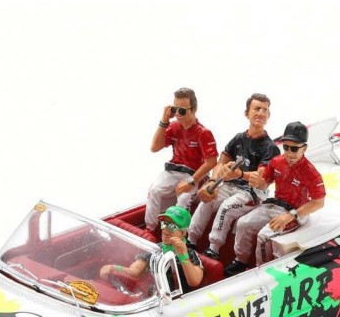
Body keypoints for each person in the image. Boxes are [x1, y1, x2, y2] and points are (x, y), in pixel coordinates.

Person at [187, 93, 280, 260]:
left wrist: (240, 174)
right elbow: (221, 162)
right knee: (208, 200)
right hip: (230, 186)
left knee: (227, 207)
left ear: (269, 115)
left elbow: (260, 177)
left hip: (252, 193)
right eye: (256, 109)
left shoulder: (270, 147)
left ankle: (214, 249)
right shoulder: (238, 139)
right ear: (247, 113)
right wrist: (213, 182)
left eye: (264, 110)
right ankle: (190, 240)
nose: (260, 113)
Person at [225, 122, 326, 274]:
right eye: (286, 147)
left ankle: (263, 273)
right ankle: (240, 261)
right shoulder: (277, 161)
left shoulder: (311, 173)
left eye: (294, 148)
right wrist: (253, 180)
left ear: (304, 148)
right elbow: (264, 183)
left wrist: (291, 215)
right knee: (243, 224)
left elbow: (319, 202)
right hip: (275, 205)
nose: (289, 153)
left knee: (264, 236)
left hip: (296, 211)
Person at [145, 87, 218, 234]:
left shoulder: (203, 133)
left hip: (194, 174)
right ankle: (150, 229)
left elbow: (211, 162)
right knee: (154, 190)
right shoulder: (174, 127)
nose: (177, 114)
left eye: (182, 111)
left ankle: (177, 234)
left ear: (194, 109)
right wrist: (164, 121)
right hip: (173, 170)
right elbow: (154, 147)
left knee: (184, 199)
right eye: (175, 109)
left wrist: (191, 181)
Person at [101, 206, 204, 292]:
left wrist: (183, 256)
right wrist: (113, 268)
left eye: (172, 226)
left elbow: (194, 281)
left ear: (183, 232)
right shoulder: (155, 249)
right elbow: (134, 272)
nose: (165, 231)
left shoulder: (190, 254)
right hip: (153, 296)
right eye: (164, 224)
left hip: (176, 300)